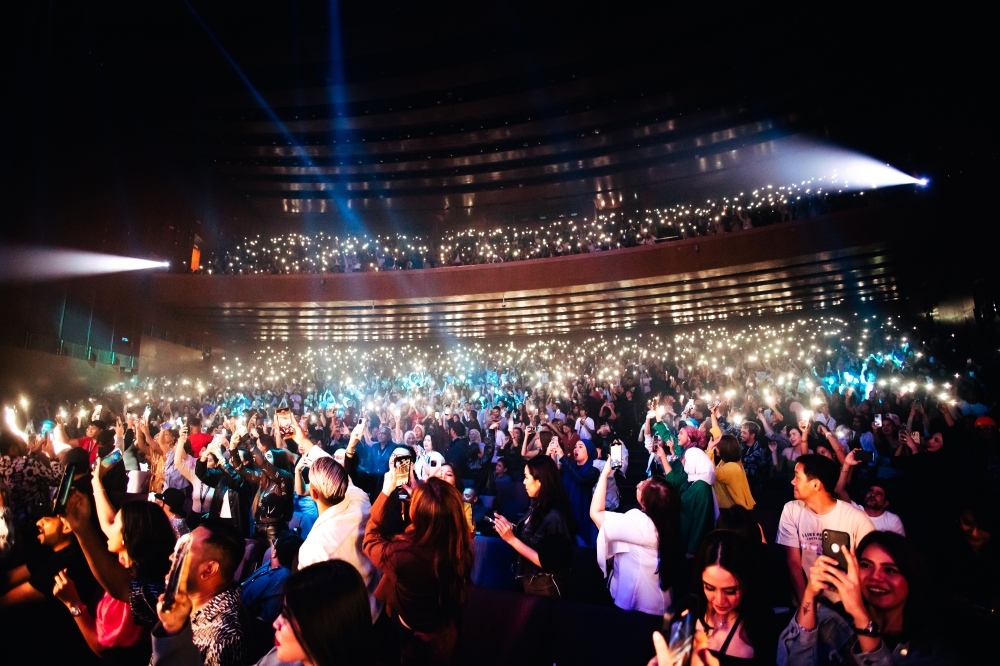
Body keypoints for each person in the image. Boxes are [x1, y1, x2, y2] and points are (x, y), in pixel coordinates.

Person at [778, 531, 960, 665]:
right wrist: (811, 593)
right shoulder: (834, 624)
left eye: (890, 570)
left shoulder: (932, 653)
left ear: (912, 578)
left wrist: (861, 616)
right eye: (866, 565)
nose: (876, 577)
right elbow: (793, 660)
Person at [363, 474, 472, 665]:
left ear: (415, 514)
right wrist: (421, 496)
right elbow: (437, 518)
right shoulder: (459, 543)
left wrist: (385, 492)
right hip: (445, 628)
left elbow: (370, 541)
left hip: (414, 636)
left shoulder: (404, 555)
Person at [151, 520, 256, 666]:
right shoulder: (184, 604)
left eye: (184, 552)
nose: (171, 557)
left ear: (208, 570)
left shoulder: (225, 635)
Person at [776, 454, 875, 603]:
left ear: (816, 485)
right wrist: (807, 605)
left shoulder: (856, 518)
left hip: (845, 603)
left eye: (797, 477)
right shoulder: (791, 510)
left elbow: (870, 564)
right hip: (804, 596)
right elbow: (793, 562)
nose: (792, 481)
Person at [296, 456, 382, 622]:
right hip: (376, 608)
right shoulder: (360, 498)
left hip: (351, 626)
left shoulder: (315, 547)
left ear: (313, 493)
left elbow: (313, 605)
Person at [590, 459, 681, 615]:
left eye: (643, 485)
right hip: (658, 599)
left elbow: (595, 513)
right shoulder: (666, 519)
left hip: (642, 605)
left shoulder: (641, 523)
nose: (639, 482)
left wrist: (604, 474)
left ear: (646, 503)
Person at [494, 456, 574, 597]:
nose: (523, 482)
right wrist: (510, 528)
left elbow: (546, 560)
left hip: (544, 586)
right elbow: (532, 536)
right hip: (527, 580)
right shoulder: (536, 503)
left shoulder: (555, 515)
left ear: (540, 481)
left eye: (526, 477)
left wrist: (511, 539)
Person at [693, 531, 777, 665]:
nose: (719, 600)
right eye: (709, 588)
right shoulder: (689, 615)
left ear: (746, 583)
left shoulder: (762, 624)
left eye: (730, 591)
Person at [229, 433, 294, 545]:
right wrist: (232, 449)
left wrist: (247, 438)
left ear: (278, 460)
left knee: (271, 561)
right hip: (257, 528)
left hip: (274, 530)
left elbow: (263, 463)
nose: (264, 459)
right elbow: (241, 471)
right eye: (264, 456)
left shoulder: (285, 477)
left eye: (268, 456)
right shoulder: (262, 477)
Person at [834, 451, 905, 535]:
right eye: (871, 491)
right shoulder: (856, 509)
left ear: (885, 503)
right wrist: (846, 464)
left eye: (878, 493)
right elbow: (839, 490)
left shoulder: (892, 520)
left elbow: (900, 547)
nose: (873, 494)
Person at [240, 529, 302, 623]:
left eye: (274, 543)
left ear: (274, 553)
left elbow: (267, 619)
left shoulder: (281, 577)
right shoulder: (270, 564)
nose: (271, 547)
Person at [558, 439, 600, 546]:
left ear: (589, 451)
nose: (576, 449)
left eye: (580, 446)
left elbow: (580, 480)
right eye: (575, 447)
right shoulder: (568, 467)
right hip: (567, 515)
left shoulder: (593, 471)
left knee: (585, 550)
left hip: (585, 515)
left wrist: (563, 457)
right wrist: (552, 454)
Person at [679, 447, 719, 557]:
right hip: (683, 536)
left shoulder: (702, 487)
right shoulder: (692, 481)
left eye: (686, 459)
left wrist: (692, 549)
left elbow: (702, 518)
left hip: (689, 543)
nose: (683, 461)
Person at [709, 435, 755, 510]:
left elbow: (712, 473)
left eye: (717, 446)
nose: (715, 448)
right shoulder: (727, 461)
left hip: (735, 511)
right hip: (733, 509)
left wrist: (709, 450)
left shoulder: (732, 468)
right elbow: (720, 437)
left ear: (725, 448)